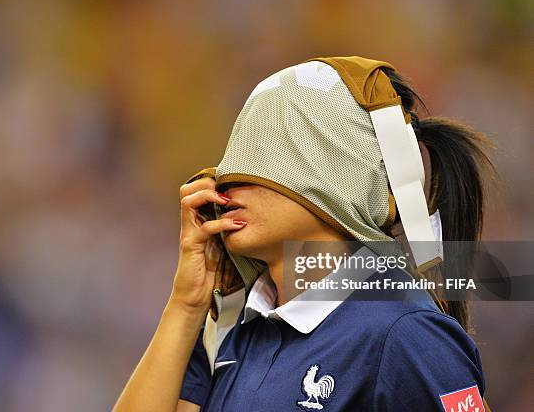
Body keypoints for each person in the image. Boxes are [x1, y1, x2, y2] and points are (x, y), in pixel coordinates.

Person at [113, 56, 495, 411]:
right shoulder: (227, 326)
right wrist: (186, 304)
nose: (226, 181)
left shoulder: (406, 334)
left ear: (337, 174)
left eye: (265, 153)